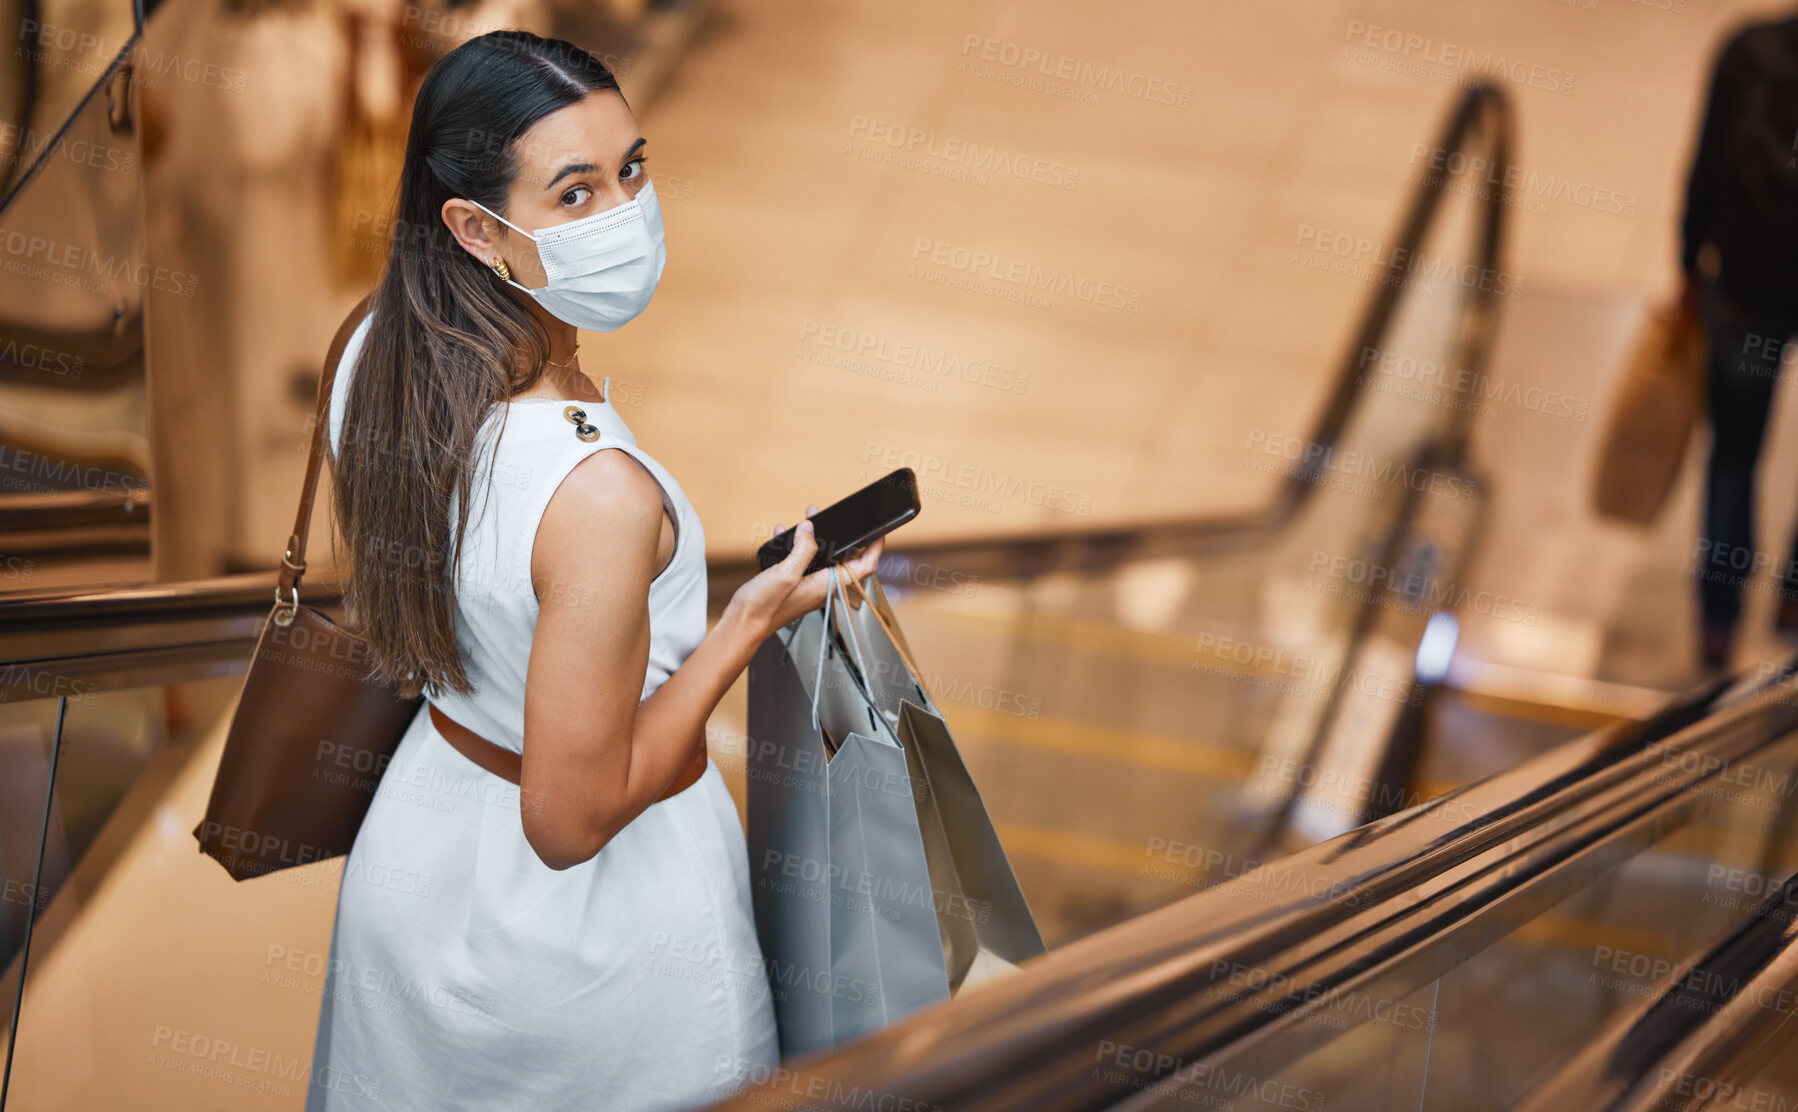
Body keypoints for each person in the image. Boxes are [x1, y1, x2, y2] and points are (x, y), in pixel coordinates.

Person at [305, 31, 882, 1110]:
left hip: (423, 847)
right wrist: (744, 624)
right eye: (573, 194)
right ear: (475, 227)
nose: (624, 212)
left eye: (632, 169)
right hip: (598, 946)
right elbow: (568, 820)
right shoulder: (599, 496)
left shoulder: (375, 347)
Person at [1683, 13, 1798, 670]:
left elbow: (1705, 163)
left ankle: (1718, 620)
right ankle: (1793, 602)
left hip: (1746, 289)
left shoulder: (1747, 51)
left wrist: (1687, 263)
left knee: (1732, 457)